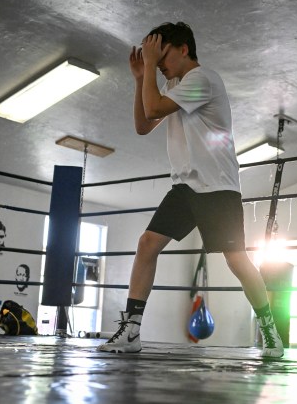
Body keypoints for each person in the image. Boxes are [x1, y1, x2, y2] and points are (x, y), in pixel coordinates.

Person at [98, 22, 284, 358]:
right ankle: (132, 331)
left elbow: (153, 109)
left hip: (218, 187)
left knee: (237, 260)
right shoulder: (170, 84)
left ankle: (269, 329)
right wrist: (142, 78)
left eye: (162, 55)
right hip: (184, 186)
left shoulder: (204, 80)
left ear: (183, 49)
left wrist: (150, 73)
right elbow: (143, 126)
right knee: (147, 244)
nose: (159, 63)